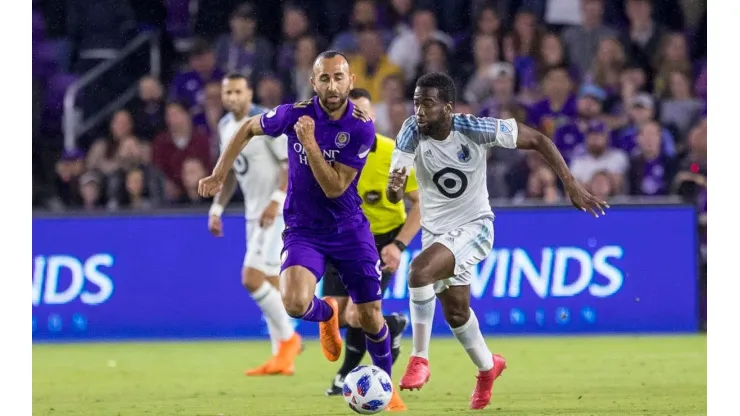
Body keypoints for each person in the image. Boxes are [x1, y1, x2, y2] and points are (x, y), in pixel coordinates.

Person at [198, 51, 406, 411]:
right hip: (304, 229)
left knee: (371, 316)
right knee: (293, 302)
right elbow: (246, 128)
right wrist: (218, 173)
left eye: (338, 78)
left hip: (349, 230)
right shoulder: (294, 113)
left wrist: (309, 144)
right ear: (314, 82)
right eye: (324, 78)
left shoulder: (360, 127)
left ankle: (387, 390)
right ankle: (327, 314)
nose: (332, 85)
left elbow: (335, 188)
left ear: (350, 81)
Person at [387, 72, 607, 410]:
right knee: (457, 314)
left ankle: (419, 358)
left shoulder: (475, 128)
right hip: (436, 232)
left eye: (428, 104)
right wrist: (394, 187)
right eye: (416, 102)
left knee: (418, 272)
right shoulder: (411, 131)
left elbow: (537, 139)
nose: (419, 111)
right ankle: (488, 368)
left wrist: (570, 183)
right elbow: (396, 185)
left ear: (447, 107)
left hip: (474, 226)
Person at [323, 88, 421, 396]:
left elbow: (422, 203)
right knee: (334, 316)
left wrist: (399, 245)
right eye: (353, 114)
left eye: (364, 113)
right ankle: (390, 325)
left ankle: (344, 376)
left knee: (356, 314)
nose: (358, 119)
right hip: (343, 239)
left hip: (382, 242)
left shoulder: (393, 155)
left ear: (373, 117)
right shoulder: (331, 153)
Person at [207, 73, 302, 376]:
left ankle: (289, 339)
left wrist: (276, 199)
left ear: (250, 94)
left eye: (238, 92)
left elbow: (289, 164)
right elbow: (232, 171)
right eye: (228, 92)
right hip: (254, 214)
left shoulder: (266, 122)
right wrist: (217, 208)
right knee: (273, 284)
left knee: (251, 278)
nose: (232, 97)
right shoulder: (225, 127)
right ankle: (281, 357)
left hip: (277, 210)